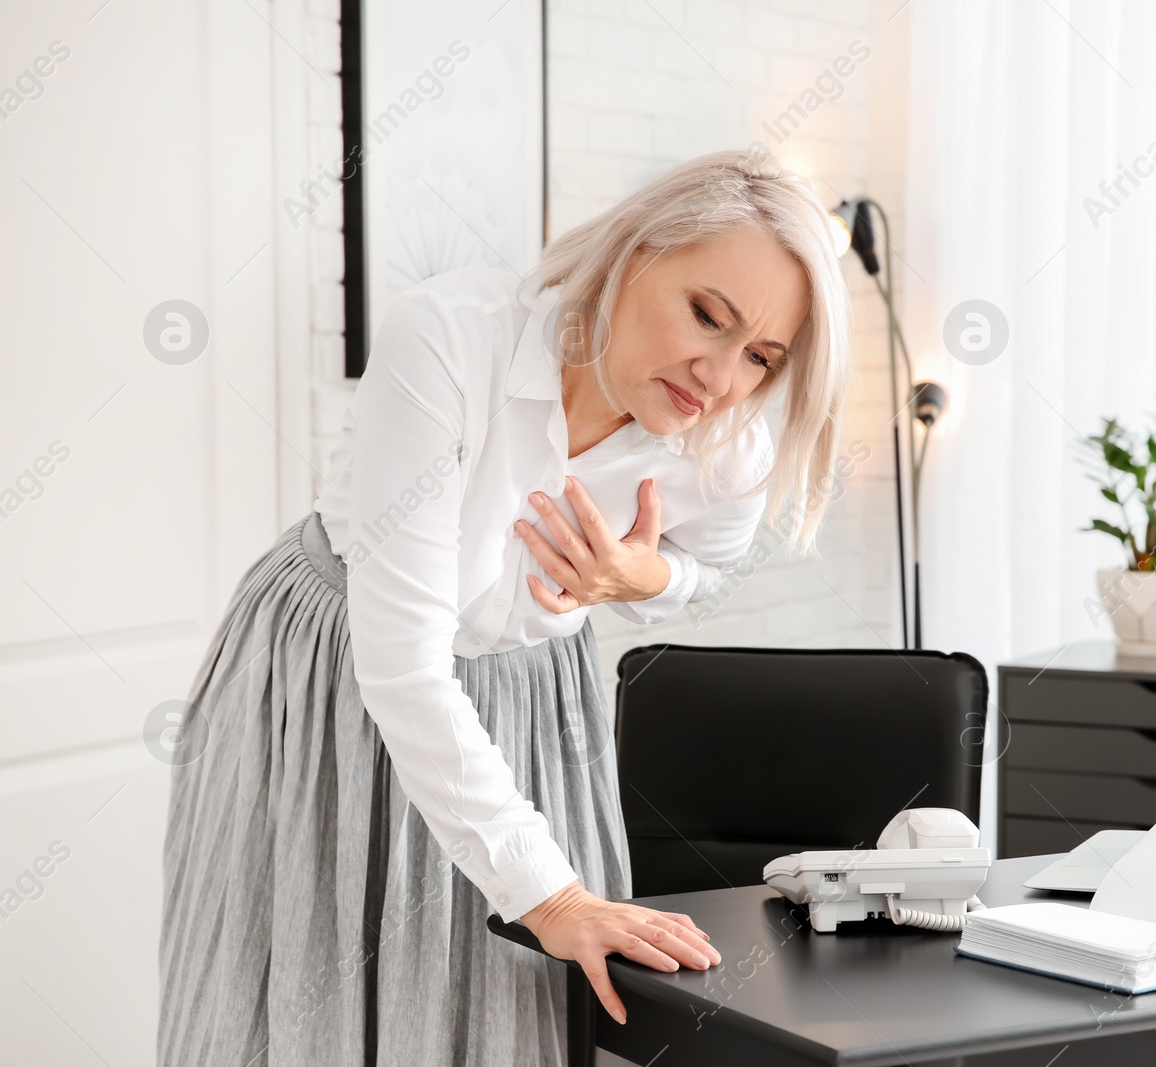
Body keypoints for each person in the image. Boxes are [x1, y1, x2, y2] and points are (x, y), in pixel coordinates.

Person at [157, 148, 852, 1065]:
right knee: (303, 1002)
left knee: (503, 1010)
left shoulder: (726, 449)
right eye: (706, 315)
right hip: (333, 674)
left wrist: (643, 581)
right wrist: (553, 898)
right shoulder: (447, 339)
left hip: (533, 697)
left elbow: (702, 569)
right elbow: (401, 663)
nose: (719, 375)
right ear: (635, 253)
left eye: (761, 357)